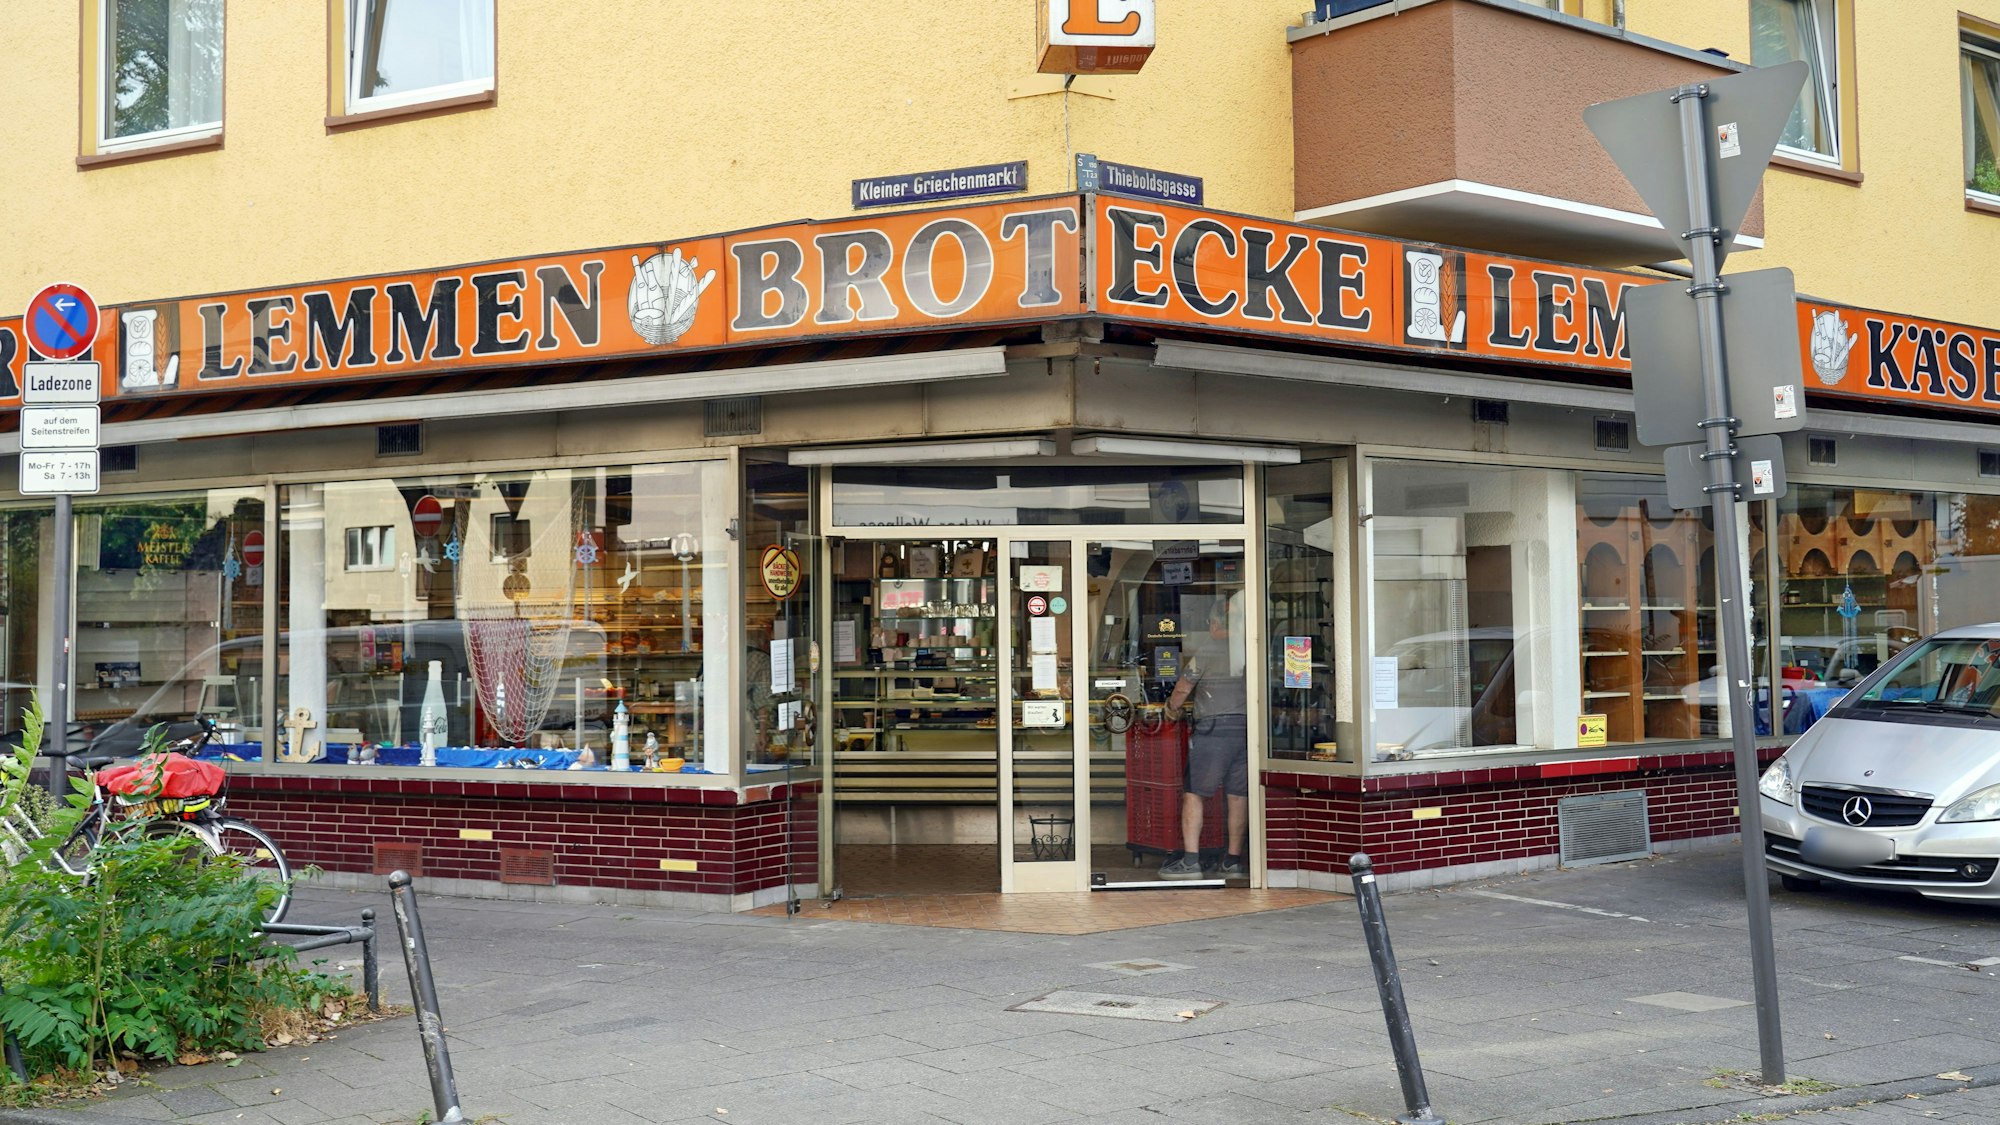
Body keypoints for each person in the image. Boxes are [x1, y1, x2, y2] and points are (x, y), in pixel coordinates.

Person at [1160, 595, 1248, 880]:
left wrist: (1171, 709)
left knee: (1194, 792)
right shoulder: (1248, 648)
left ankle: (1190, 861)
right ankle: (1232, 861)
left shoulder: (1208, 648)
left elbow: (1183, 688)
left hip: (1213, 731)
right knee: (1238, 795)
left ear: (1214, 624)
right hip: (1245, 729)